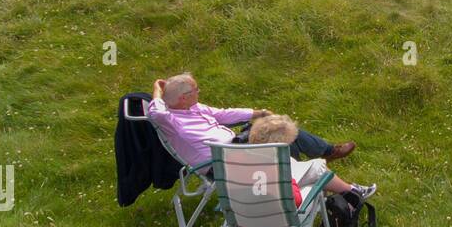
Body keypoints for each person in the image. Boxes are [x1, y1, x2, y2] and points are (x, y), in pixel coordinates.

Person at [146, 72, 356, 171]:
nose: (199, 92)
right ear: (182, 97)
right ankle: (315, 161)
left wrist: (257, 113)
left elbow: (223, 114)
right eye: (196, 90)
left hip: (235, 146)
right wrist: (157, 90)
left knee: (276, 125)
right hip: (223, 161)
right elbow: (156, 113)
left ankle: (317, 158)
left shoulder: (192, 107)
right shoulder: (171, 120)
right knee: (281, 133)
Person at [248, 114, 376, 202]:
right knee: (318, 170)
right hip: (278, 226)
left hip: (245, 224)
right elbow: (296, 201)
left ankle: (352, 190)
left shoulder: (239, 166)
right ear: (281, 147)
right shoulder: (283, 172)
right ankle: (353, 193)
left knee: (315, 169)